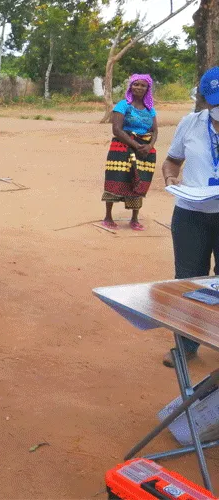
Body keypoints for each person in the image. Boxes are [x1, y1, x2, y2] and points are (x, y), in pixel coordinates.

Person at [159, 66, 219, 367]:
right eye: (215, 100)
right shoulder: (190, 124)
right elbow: (172, 161)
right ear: (205, 99)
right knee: (187, 281)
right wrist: (170, 178)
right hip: (191, 214)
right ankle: (186, 344)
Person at [102, 74, 158, 231]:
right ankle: (108, 216)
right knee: (116, 179)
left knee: (139, 181)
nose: (139, 88)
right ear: (130, 87)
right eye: (136, 84)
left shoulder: (150, 109)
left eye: (143, 85)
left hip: (144, 150)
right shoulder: (122, 105)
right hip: (122, 148)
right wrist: (134, 144)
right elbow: (116, 130)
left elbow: (154, 131)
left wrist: (149, 146)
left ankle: (134, 219)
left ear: (148, 88)